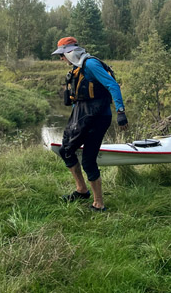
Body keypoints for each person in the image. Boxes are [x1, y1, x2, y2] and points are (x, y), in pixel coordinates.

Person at [52, 36, 128, 211]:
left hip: (99, 116)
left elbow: (113, 85)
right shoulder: (76, 68)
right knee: (66, 150)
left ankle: (99, 203)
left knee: (88, 160)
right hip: (84, 114)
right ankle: (81, 190)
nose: (61, 59)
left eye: (61, 55)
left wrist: (120, 112)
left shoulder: (91, 65)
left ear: (69, 52)